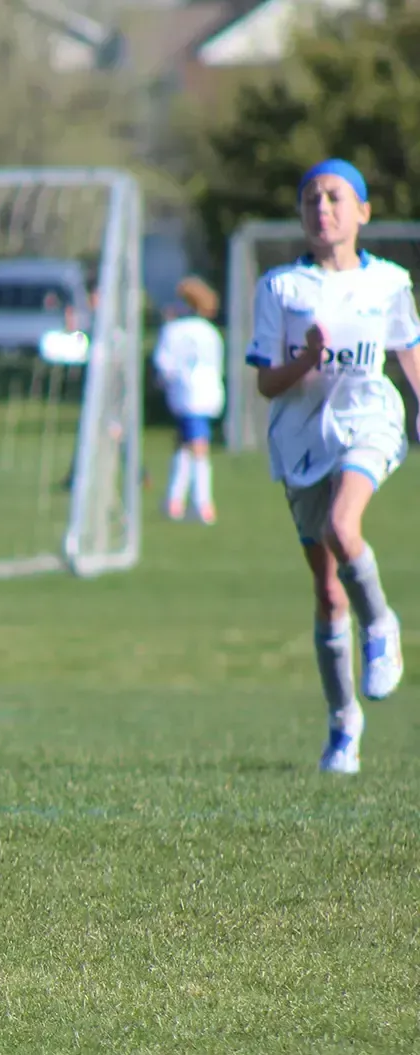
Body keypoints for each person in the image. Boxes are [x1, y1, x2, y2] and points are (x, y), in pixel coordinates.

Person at [248, 158, 420, 774]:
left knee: (344, 528)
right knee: (325, 589)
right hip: (300, 438)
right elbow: (269, 381)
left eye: (335, 197)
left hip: (369, 421)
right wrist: (308, 361)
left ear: (363, 212)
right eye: (312, 199)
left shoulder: (390, 284)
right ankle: (344, 725)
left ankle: (382, 625)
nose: (322, 208)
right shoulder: (281, 288)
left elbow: (407, 352)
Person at [153, 276, 226, 524]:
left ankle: (203, 503)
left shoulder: (173, 330)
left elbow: (164, 365)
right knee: (183, 444)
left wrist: (167, 382)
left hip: (186, 394)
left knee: (197, 447)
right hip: (208, 394)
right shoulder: (210, 332)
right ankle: (174, 501)